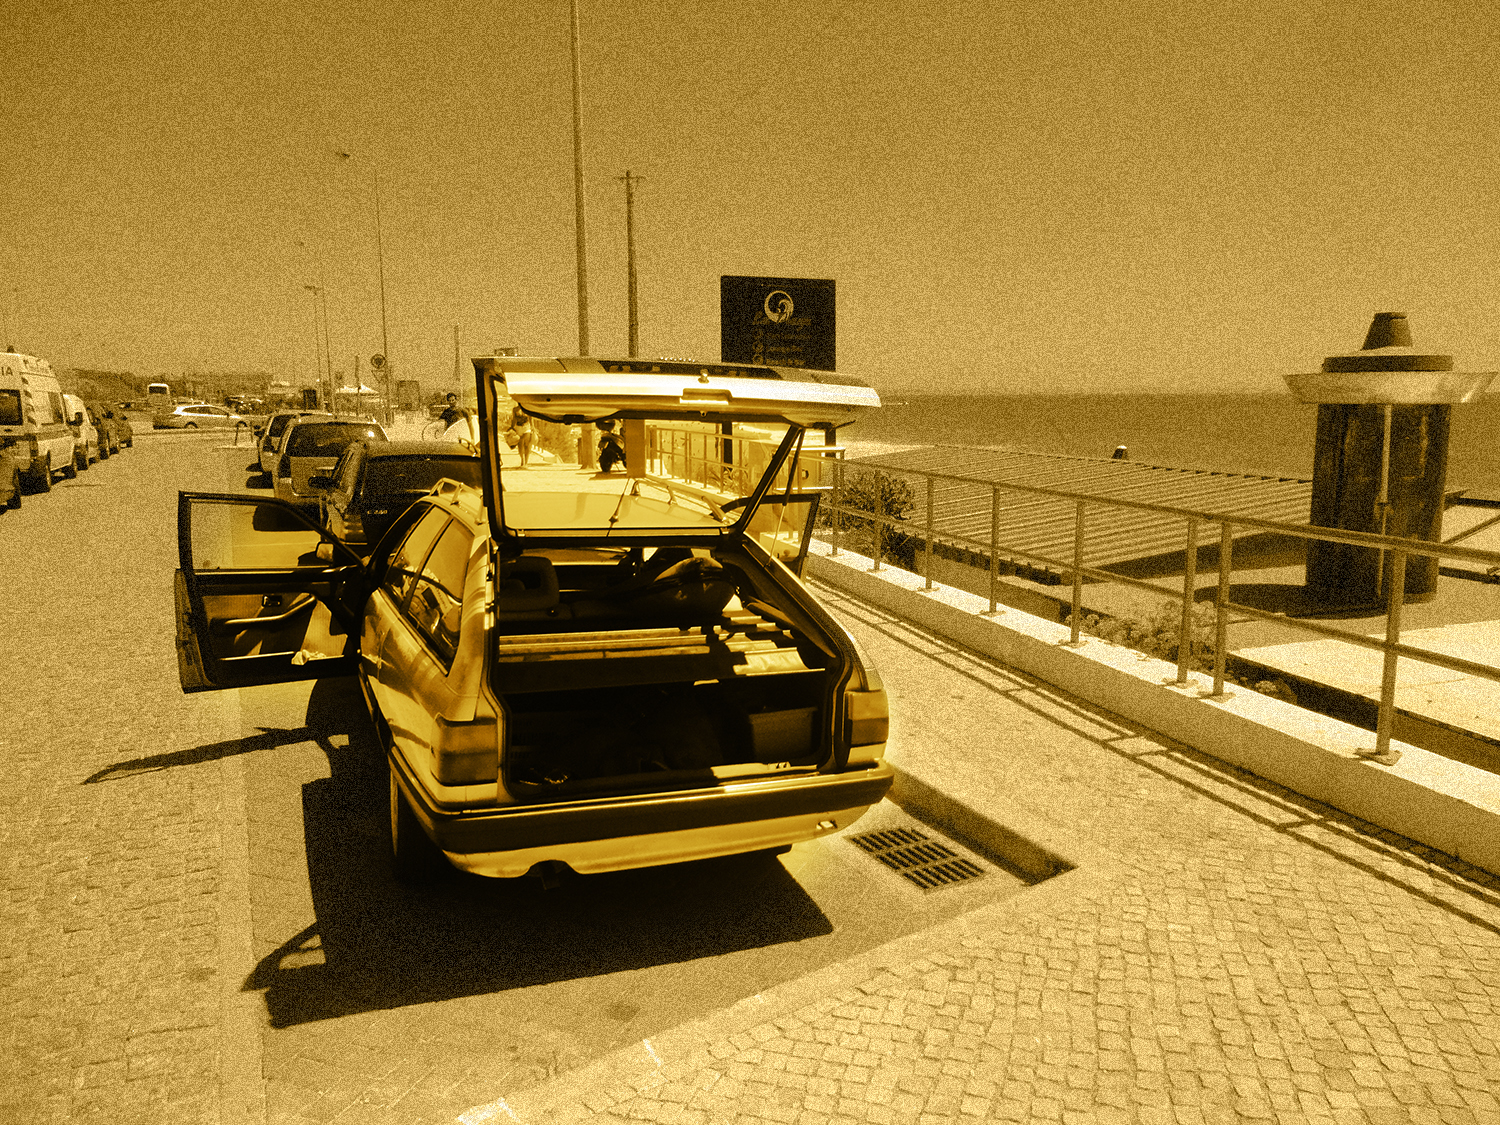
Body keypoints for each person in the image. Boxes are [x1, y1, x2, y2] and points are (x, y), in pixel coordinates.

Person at [510, 403, 534, 467]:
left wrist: (532, 427)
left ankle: (526, 462)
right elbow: (514, 418)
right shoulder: (515, 409)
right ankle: (522, 460)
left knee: (526, 444)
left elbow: (531, 418)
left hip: (526, 427)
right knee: (520, 445)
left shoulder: (528, 408)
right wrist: (512, 427)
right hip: (518, 427)